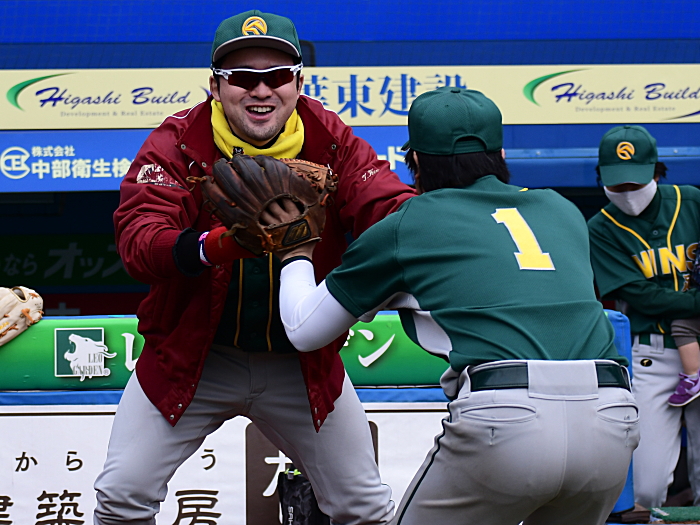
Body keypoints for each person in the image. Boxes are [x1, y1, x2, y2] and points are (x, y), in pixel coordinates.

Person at [94, 10, 416, 525]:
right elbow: (139, 241)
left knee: (365, 507)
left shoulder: (331, 140)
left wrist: (444, 225)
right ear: (216, 87)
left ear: (298, 84)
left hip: (300, 365)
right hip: (195, 358)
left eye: (277, 76)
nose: (261, 90)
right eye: (243, 77)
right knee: (121, 499)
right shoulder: (179, 141)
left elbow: (389, 207)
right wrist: (218, 246)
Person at [267, 87, 639, 525]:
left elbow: (304, 330)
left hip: (506, 414)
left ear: (416, 161)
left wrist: (294, 251)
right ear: (500, 153)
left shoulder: (409, 223)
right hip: (612, 416)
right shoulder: (563, 210)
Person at [587, 124, 700, 508]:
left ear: (656, 171)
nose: (627, 191)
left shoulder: (691, 201)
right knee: (646, 489)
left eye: (635, 182)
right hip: (652, 354)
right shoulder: (600, 228)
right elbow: (642, 297)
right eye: (617, 183)